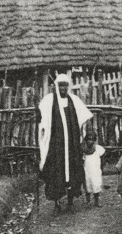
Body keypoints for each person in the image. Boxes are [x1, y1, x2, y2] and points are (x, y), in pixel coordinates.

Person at [38, 73, 93, 215]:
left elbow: (85, 116)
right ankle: (57, 204)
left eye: (65, 85)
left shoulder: (74, 100)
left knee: (73, 172)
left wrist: (84, 135)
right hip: (56, 146)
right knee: (56, 173)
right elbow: (41, 118)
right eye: (60, 85)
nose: (63, 88)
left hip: (72, 145)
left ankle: (70, 202)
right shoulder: (49, 101)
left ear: (68, 86)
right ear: (56, 86)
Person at [82, 131, 105, 207]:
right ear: (86, 140)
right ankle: (88, 201)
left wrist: (102, 168)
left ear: (94, 140)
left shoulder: (98, 149)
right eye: (88, 139)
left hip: (95, 170)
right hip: (87, 170)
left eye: (92, 139)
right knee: (87, 185)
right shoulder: (84, 150)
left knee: (96, 185)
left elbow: (103, 158)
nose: (90, 141)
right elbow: (82, 160)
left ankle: (97, 201)